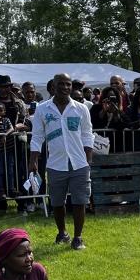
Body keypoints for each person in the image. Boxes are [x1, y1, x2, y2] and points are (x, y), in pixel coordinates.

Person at [30, 73, 94, 251]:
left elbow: (87, 134)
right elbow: (37, 137)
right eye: (61, 84)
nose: (65, 87)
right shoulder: (43, 109)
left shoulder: (81, 109)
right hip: (55, 164)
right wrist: (33, 160)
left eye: (68, 84)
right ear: (53, 87)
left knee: (80, 201)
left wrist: (88, 158)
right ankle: (62, 232)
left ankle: (78, 237)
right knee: (57, 202)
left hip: (79, 163)